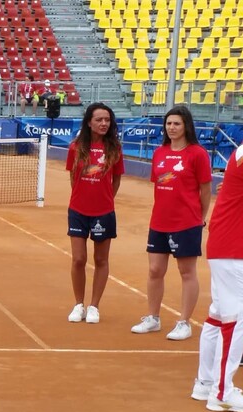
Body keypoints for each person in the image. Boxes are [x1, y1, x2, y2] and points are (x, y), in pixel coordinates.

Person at [131, 105, 212, 340]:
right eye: (169, 123)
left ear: (186, 125)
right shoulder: (159, 153)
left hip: (186, 222)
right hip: (159, 221)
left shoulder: (197, 153)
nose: (172, 127)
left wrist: (200, 218)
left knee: (187, 272)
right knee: (155, 270)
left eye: (177, 123)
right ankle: (153, 318)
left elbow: (205, 190)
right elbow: (159, 183)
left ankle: (184, 322)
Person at [191, 142, 243, 412]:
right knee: (236, 319)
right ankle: (222, 392)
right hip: (233, 250)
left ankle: (205, 382)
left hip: (227, 246)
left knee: (218, 315)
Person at [65, 102, 124, 324]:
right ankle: (78, 304)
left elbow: (116, 179)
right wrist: (84, 196)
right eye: (99, 120)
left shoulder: (114, 149)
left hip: (104, 211)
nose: (103, 124)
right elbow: (73, 177)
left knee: (101, 259)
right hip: (78, 210)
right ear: (89, 122)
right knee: (79, 258)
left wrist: (105, 198)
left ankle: (94, 306)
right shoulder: (76, 147)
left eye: (107, 120)